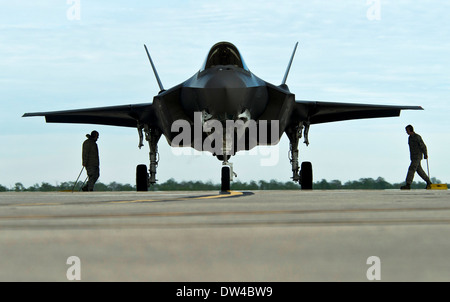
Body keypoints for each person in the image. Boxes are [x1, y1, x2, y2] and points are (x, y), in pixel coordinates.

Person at [400, 125, 432, 190]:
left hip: (417, 156)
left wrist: (425, 154)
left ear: (410, 130)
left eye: (407, 130)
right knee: (419, 170)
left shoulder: (417, 137)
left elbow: (423, 146)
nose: (406, 132)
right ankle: (428, 182)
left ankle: (408, 184)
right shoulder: (410, 138)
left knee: (411, 168)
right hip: (413, 157)